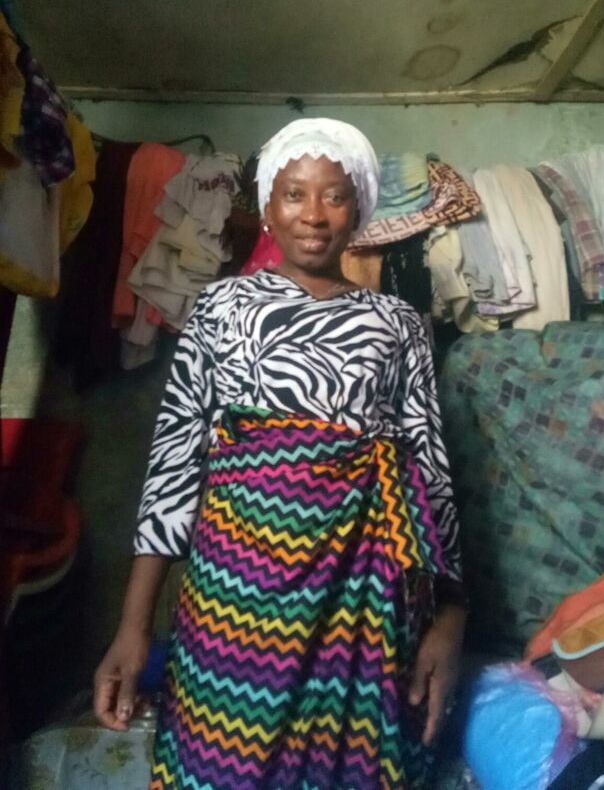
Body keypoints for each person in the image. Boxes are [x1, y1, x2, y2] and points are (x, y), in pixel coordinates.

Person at [94, 118, 467, 789]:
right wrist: (133, 626)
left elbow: (430, 473)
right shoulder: (220, 308)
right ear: (268, 206)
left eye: (335, 195)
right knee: (219, 757)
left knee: (350, 761)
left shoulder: (399, 324)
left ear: (360, 208)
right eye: (295, 194)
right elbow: (173, 463)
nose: (314, 215)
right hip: (233, 587)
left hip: (362, 587)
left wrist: (450, 620)